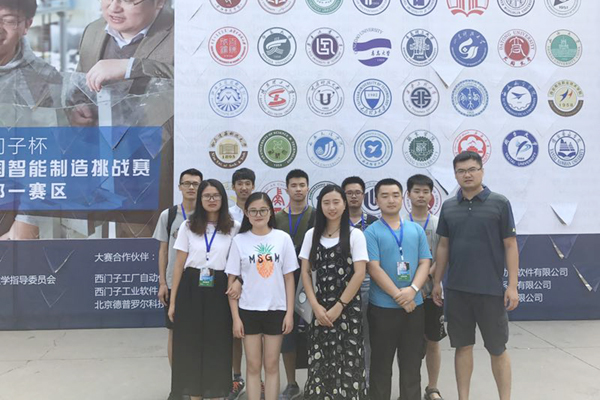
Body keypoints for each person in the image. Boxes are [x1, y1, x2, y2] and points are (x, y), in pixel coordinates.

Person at [73, 0, 175, 238]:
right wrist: (79, 107)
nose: (113, 8)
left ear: (159, 3)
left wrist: (132, 67)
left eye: (129, 0)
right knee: (112, 245)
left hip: (160, 165)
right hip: (106, 166)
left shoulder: (183, 31)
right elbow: (80, 85)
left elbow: (199, 79)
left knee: (155, 246)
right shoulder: (94, 31)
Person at [432, 151, 519, 400]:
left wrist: (512, 285)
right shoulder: (449, 206)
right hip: (457, 291)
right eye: (461, 171)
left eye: (472, 169)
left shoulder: (499, 203)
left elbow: (510, 245)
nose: (467, 175)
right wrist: (437, 281)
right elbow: (443, 245)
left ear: (481, 171)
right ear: (455, 175)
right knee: (462, 347)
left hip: (490, 291)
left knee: (497, 348)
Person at [168, 179, 240, 400]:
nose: (211, 199)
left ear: (223, 198)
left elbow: (239, 262)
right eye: (207, 196)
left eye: (216, 195)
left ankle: (217, 393)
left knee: (218, 344)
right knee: (190, 344)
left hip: (220, 288)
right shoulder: (188, 226)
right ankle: (194, 395)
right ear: (200, 199)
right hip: (191, 287)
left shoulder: (234, 227)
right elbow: (179, 265)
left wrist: (238, 281)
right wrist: (173, 301)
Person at [225, 192, 298, 400]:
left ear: (271, 212)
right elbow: (231, 282)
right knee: (253, 365)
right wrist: (236, 318)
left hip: (276, 309)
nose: (258, 215)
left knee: (272, 364)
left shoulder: (282, 239)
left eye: (263, 210)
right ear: (246, 214)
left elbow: (289, 279)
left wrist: (289, 313)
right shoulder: (239, 241)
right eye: (253, 211)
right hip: (248, 310)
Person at [299, 184, 369, 399]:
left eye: (336, 202)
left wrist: (339, 306)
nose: (331, 207)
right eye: (326, 202)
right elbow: (305, 272)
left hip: (348, 310)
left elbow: (359, 274)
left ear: (344, 204)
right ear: (320, 205)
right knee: (320, 361)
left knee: (349, 361)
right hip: (319, 310)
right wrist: (315, 306)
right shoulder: (311, 235)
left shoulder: (356, 235)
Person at [364, 178, 432, 400]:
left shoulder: (415, 230)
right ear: (376, 200)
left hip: (415, 307)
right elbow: (373, 268)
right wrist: (399, 296)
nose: (391, 200)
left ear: (402, 198)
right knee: (381, 365)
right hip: (383, 309)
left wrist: (412, 289)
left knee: (412, 364)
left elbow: (425, 262)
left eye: (395, 195)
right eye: (384, 196)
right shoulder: (371, 232)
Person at [152, 168, 202, 398]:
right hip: (174, 284)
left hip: (202, 285)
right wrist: (163, 282)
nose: (191, 187)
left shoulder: (208, 214)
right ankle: (179, 385)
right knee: (175, 334)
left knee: (199, 335)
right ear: (179, 186)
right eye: (187, 183)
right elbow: (163, 251)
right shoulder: (169, 215)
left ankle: (199, 383)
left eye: (195, 184)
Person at [403, 174, 446, 400]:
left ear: (431, 195)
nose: (421, 195)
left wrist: (427, 278)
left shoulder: (438, 223)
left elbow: (443, 255)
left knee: (433, 341)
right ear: (408, 194)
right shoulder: (401, 222)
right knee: (408, 345)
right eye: (416, 191)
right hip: (407, 294)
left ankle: (432, 388)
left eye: (425, 191)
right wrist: (412, 286)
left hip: (432, 294)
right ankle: (409, 390)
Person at [274, 169, 316, 400]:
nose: (298, 189)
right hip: (283, 282)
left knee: (314, 334)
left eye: (302, 185)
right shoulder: (276, 218)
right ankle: (291, 383)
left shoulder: (317, 215)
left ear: (308, 187)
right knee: (286, 335)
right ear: (287, 188)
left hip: (312, 281)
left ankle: (313, 382)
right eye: (294, 185)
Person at [341, 176, 377, 382]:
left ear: (364, 195)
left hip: (367, 284)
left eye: (357, 192)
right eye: (349, 193)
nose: (353, 196)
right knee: (343, 335)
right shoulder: (335, 220)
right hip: (340, 284)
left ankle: (366, 379)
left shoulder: (373, 222)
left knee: (366, 335)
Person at [228, 169, 255, 399]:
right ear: (233, 187)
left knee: (258, 335)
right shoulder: (226, 216)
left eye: (248, 183)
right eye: (240, 183)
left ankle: (259, 380)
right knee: (235, 332)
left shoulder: (261, 211)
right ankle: (236, 377)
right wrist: (235, 279)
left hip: (257, 281)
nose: (244, 187)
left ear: (253, 186)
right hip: (232, 280)